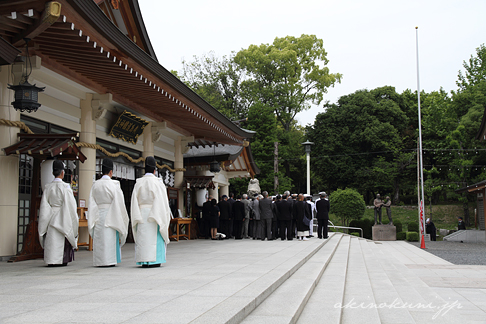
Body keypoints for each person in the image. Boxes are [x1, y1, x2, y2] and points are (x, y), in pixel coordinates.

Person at [131, 156, 171, 268]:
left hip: (141, 212)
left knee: (143, 237)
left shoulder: (138, 183)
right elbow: (163, 202)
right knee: (155, 236)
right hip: (155, 213)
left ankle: (143, 260)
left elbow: (134, 201)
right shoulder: (158, 183)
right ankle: (155, 260)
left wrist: (136, 214)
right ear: (154, 170)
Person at [88, 158, 129, 267]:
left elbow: (92, 203)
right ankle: (110, 260)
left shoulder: (95, 185)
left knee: (100, 238)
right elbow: (119, 203)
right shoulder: (114, 185)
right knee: (110, 238)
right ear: (111, 171)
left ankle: (100, 261)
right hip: (111, 214)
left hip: (99, 214)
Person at [38, 160, 78, 266]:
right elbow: (70, 206)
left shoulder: (48, 187)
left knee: (51, 238)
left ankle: (51, 259)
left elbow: (44, 206)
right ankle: (62, 260)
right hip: (63, 215)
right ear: (62, 173)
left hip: (50, 215)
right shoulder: (65, 187)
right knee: (62, 236)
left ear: (53, 173)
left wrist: (47, 217)